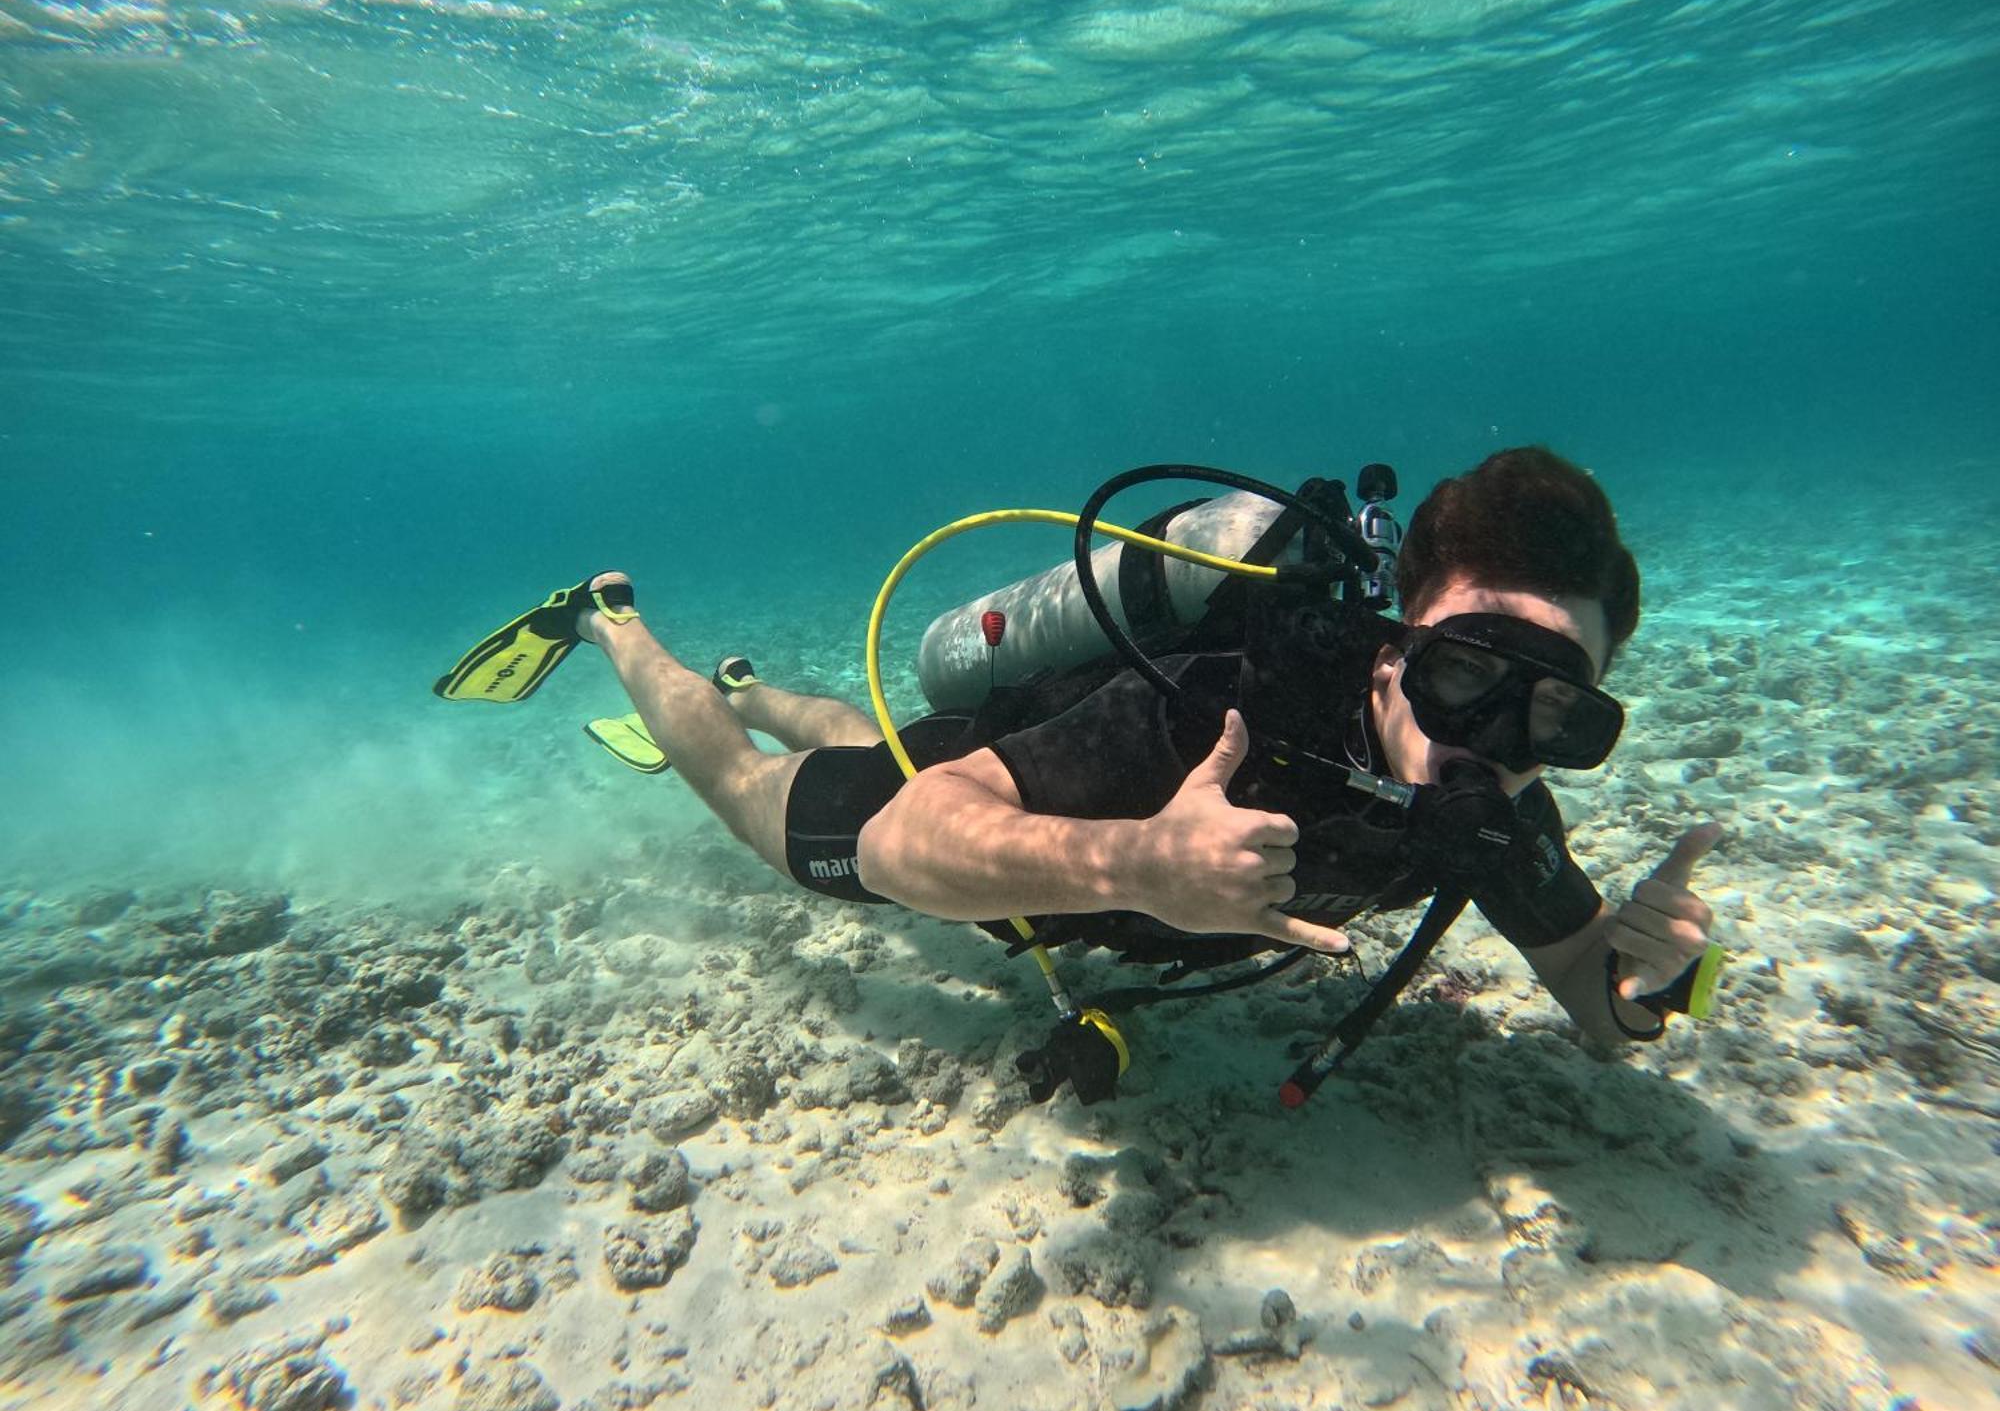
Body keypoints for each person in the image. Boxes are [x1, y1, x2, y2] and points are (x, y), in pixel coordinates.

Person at [436, 447, 1719, 1077]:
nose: (1490, 744)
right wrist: (1136, 862)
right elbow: (900, 839)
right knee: (761, 801)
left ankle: (757, 683)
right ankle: (612, 620)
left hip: (998, 764)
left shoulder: (1492, 808)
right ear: (1390, 650)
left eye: (1553, 717)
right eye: (1461, 675)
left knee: (869, 734)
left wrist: (1644, 980)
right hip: (1002, 788)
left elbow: (1587, 998)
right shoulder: (1223, 712)